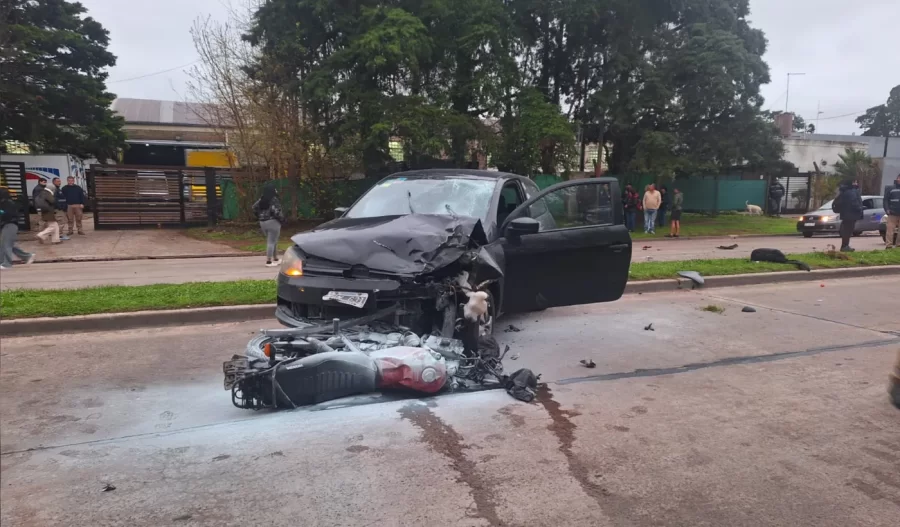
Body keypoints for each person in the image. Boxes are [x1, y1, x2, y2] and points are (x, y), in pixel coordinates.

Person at [0, 187, 35, 269]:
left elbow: (7, 214)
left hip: (10, 224)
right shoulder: (4, 203)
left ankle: (7, 264)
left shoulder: (8, 203)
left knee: (6, 245)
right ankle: (27, 256)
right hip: (6, 225)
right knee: (5, 244)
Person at [252, 183, 285, 267]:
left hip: (262, 222)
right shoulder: (274, 199)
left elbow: (254, 207)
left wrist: (259, 215)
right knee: (271, 242)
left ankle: (276, 258)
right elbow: (276, 211)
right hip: (273, 222)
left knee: (273, 241)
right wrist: (282, 219)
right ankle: (269, 261)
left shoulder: (261, 199)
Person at [833, 179, 863, 252]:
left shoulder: (843, 191)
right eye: (855, 182)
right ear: (852, 183)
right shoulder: (852, 192)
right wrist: (859, 208)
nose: (856, 183)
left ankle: (845, 246)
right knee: (848, 231)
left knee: (845, 231)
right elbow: (854, 202)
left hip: (845, 214)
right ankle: (845, 246)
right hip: (851, 215)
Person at [884, 173, 900, 249]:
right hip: (892, 213)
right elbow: (885, 200)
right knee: (890, 230)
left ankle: (898, 245)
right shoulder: (890, 188)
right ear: (897, 178)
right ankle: (889, 246)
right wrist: (887, 209)